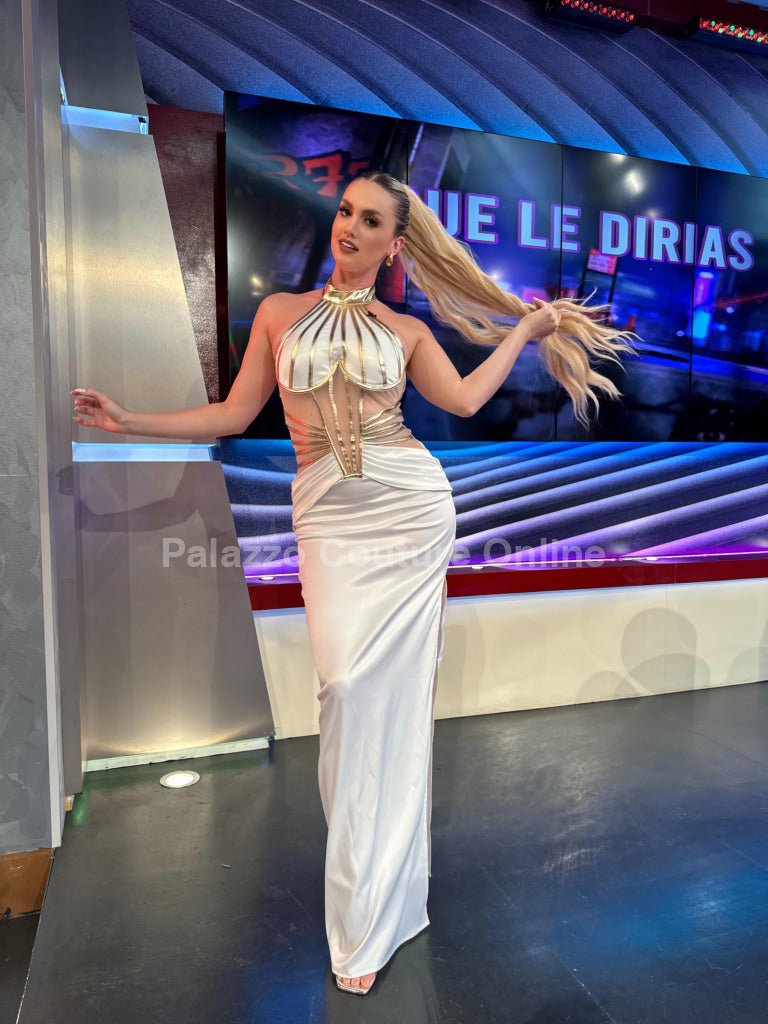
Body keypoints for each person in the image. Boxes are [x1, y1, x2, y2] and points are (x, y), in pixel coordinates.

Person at [71, 170, 635, 997]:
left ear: (393, 246)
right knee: (341, 688)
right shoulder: (279, 313)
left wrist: (524, 330)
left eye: (371, 220)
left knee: (390, 705)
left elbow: (465, 401)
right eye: (345, 211)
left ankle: (374, 914)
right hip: (328, 517)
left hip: (410, 510)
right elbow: (233, 415)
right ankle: (366, 894)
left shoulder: (406, 329)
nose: (350, 226)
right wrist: (129, 422)